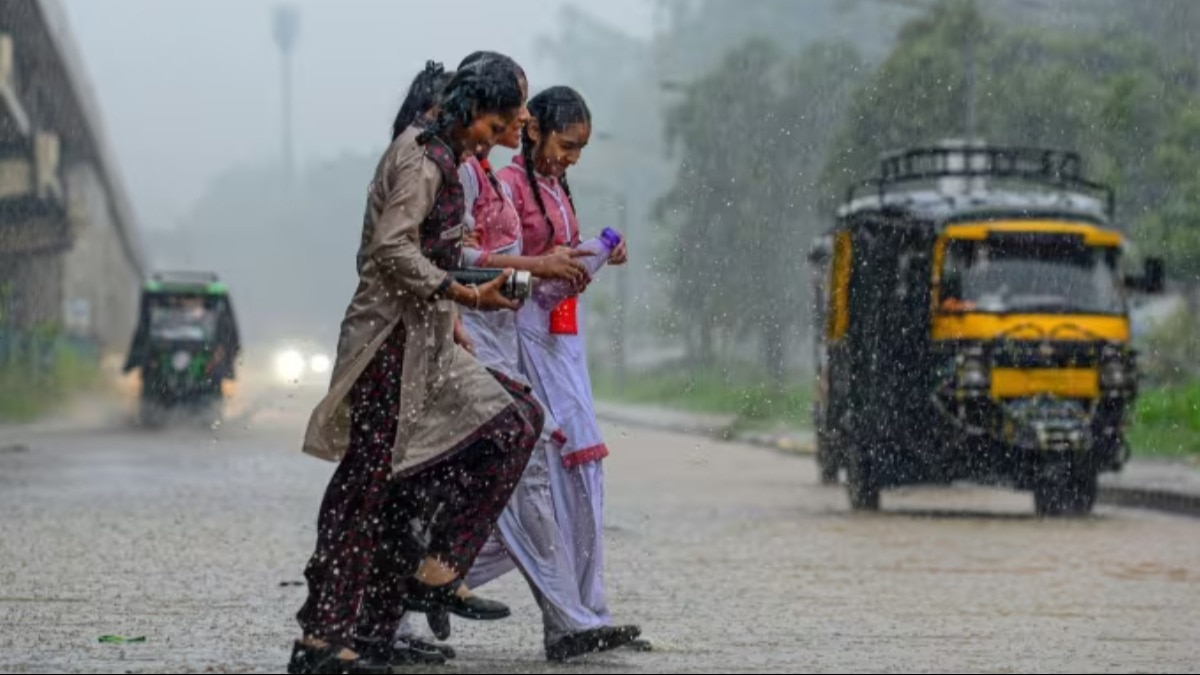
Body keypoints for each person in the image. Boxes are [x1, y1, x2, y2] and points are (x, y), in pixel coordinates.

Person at [289, 56, 543, 675]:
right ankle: (324, 637)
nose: (500, 134)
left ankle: (431, 575)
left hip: (428, 341)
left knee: (513, 421)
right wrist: (464, 295)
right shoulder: (422, 157)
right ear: (470, 110)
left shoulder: (450, 159)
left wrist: (471, 293)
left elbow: (438, 249)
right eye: (498, 121)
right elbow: (390, 248)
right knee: (367, 486)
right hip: (388, 345)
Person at [396, 54, 642, 664]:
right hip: (486, 338)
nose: (521, 116)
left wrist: (580, 256)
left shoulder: (489, 173)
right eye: (515, 108)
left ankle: (434, 595)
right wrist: (535, 269)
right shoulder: (459, 173)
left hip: (533, 338)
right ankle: (553, 615)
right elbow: (432, 260)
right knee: (516, 476)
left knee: (550, 481)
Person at [499, 85, 643, 653]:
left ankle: (587, 609)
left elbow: (554, 263)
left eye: (580, 149)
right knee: (539, 479)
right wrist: (547, 270)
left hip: (563, 342)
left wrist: (592, 252)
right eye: (566, 144)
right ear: (531, 129)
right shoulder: (506, 189)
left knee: (583, 475)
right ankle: (569, 617)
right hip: (521, 341)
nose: (571, 158)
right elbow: (499, 270)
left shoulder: (557, 187)